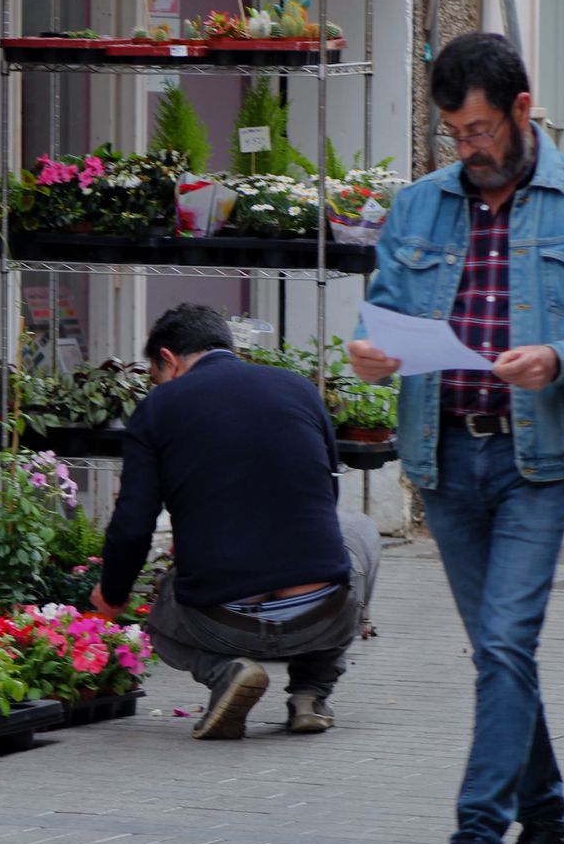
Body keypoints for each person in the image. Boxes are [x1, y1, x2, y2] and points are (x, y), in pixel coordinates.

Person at [347, 32, 564, 844]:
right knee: (498, 653)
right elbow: (390, 323)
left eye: (481, 128)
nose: (469, 148)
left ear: (523, 110)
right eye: (454, 132)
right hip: (444, 461)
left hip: (536, 461)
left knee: (506, 643)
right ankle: (550, 826)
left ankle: (477, 836)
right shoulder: (418, 208)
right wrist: (374, 358)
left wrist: (559, 357)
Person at [89, 303, 381, 741]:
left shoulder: (160, 406)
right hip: (320, 615)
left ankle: (227, 672)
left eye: (156, 373)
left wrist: (111, 597)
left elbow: (134, 523)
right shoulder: (299, 388)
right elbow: (328, 495)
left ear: (168, 360)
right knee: (358, 530)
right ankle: (311, 692)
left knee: (162, 597)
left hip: (220, 622)